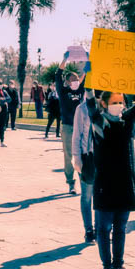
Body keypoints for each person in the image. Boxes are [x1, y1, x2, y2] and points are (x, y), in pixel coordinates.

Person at [88, 90, 135, 269]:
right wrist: (89, 82)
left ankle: (118, 263)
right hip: (106, 183)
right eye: (114, 101)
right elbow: (91, 105)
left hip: (126, 181)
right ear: (105, 104)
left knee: (121, 228)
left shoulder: (129, 119)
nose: (119, 105)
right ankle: (107, 267)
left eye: (121, 101)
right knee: (103, 228)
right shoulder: (100, 122)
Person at [55, 53, 89, 194]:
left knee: (83, 153)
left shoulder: (81, 90)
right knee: (68, 155)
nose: (75, 81)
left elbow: (87, 74)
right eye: (73, 79)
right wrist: (64, 59)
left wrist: (88, 59)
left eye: (77, 78)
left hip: (81, 126)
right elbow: (58, 75)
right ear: (68, 82)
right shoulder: (63, 92)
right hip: (68, 127)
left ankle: (84, 180)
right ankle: (70, 182)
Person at [72, 90, 97, 243]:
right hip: (88, 157)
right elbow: (77, 134)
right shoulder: (82, 109)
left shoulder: (107, 104)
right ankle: (89, 229)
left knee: (103, 195)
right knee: (87, 195)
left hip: (104, 157)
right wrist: (77, 157)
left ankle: (101, 227)